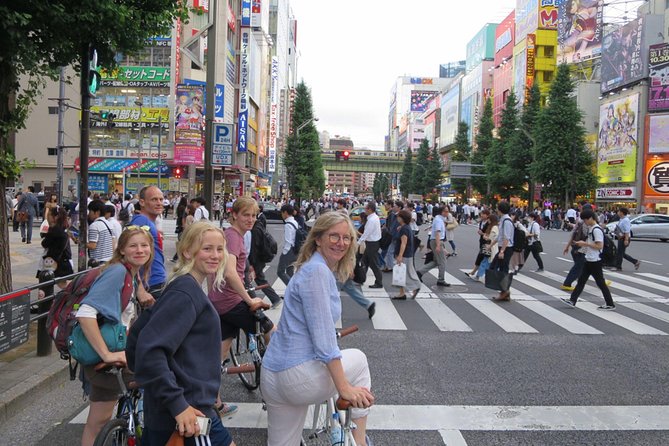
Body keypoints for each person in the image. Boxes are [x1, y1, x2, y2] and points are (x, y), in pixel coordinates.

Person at [260, 211, 374, 446]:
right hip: (297, 376)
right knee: (360, 360)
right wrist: (345, 388)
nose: (341, 243)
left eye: (346, 238)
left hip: (273, 374)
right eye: (334, 236)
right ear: (318, 239)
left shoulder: (309, 268)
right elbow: (324, 342)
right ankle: (360, 441)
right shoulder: (318, 272)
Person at [133, 222, 237, 446]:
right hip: (187, 414)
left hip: (182, 410)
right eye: (207, 248)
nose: (215, 255)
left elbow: (139, 334)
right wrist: (177, 404)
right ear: (187, 251)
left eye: (220, 249)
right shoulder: (185, 292)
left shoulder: (184, 286)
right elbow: (150, 348)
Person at [77, 226, 154, 446]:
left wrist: (142, 292)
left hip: (118, 347)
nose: (140, 250)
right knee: (98, 422)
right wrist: (106, 354)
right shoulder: (117, 272)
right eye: (133, 246)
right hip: (104, 356)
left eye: (144, 245)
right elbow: (85, 313)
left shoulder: (129, 271)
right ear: (121, 250)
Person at [208, 198, 274, 389]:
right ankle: (277, 376)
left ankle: (214, 400)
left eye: (253, 215)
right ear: (234, 215)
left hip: (218, 300)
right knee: (269, 328)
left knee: (222, 348)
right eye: (246, 214)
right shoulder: (234, 236)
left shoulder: (230, 235)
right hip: (230, 300)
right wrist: (249, 299)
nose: (251, 219)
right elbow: (229, 272)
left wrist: (247, 271)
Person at [561, 209, 616, 310]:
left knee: (600, 283)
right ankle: (572, 300)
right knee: (581, 281)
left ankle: (610, 303)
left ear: (591, 218)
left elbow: (599, 246)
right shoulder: (592, 228)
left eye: (585, 220)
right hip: (589, 259)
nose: (585, 222)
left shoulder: (596, 229)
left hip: (595, 261)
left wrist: (584, 244)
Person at [130, 185, 166, 301]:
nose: (159, 203)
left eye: (161, 199)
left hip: (155, 282)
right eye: (154, 199)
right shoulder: (141, 220)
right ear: (142, 202)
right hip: (151, 285)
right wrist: (140, 289)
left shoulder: (148, 223)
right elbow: (131, 256)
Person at [248, 210, 283, 307]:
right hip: (261, 258)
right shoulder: (259, 226)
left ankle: (272, 299)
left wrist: (251, 264)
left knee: (254, 281)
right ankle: (274, 298)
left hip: (256, 260)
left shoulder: (254, 230)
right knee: (258, 280)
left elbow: (254, 249)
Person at [417, 206, 451, 287]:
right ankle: (441, 280)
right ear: (442, 212)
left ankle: (419, 272)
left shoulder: (438, 218)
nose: (447, 213)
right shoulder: (439, 220)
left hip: (435, 241)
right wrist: (438, 245)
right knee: (442, 261)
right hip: (437, 241)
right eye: (446, 211)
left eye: (448, 211)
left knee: (436, 261)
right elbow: (437, 233)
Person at [40, 207, 74, 287]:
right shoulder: (64, 228)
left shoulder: (55, 230)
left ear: (55, 217)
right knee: (63, 284)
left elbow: (44, 243)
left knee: (47, 284)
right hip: (65, 259)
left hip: (55, 261)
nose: (47, 217)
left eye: (49, 215)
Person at [391, 209, 421, 300]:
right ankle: (401, 293)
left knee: (406, 273)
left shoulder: (404, 229)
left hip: (405, 254)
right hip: (407, 253)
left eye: (399, 216)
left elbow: (404, 243)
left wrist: (400, 255)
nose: (397, 218)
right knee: (401, 273)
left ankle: (416, 286)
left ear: (402, 218)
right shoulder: (406, 227)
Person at [491, 201, 514, 301]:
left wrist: (502, 251)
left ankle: (505, 291)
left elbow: (506, 238)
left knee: (503, 270)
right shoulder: (503, 220)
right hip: (503, 248)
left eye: (497, 208)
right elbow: (500, 236)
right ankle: (504, 292)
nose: (496, 210)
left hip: (506, 249)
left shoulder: (507, 221)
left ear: (500, 210)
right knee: (496, 267)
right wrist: (491, 245)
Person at [357, 202, 383, 289]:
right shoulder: (374, 217)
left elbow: (366, 233)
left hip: (372, 243)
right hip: (372, 243)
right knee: (365, 262)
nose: (365, 210)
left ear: (370, 209)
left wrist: (358, 243)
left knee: (373, 264)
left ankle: (379, 282)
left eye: (366, 209)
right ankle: (360, 279)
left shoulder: (372, 220)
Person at [87, 200, 115, 266]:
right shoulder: (109, 224)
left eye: (90, 211)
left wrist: (81, 242)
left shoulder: (94, 226)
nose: (89, 214)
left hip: (98, 261)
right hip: (109, 260)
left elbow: (92, 246)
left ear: (97, 212)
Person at [613, 207, 641, 271]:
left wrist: (626, 239)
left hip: (624, 238)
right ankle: (635, 262)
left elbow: (627, 231)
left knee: (620, 253)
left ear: (622, 213)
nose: (618, 213)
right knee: (621, 253)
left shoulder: (626, 220)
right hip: (621, 237)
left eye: (619, 211)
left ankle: (618, 267)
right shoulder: (622, 219)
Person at [465, 209, 490, 279]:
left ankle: (475, 273)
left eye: (483, 214)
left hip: (487, 242)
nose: (481, 215)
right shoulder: (481, 221)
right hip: (482, 241)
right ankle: (476, 273)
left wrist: (482, 233)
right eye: (481, 214)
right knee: (482, 257)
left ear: (487, 215)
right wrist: (470, 221)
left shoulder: (489, 223)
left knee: (482, 257)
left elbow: (492, 234)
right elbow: (475, 221)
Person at [277, 204, 298, 285]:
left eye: (282, 213)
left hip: (289, 251)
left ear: (285, 212)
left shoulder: (288, 225)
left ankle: (293, 290)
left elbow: (288, 241)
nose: (281, 215)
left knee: (280, 272)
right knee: (290, 272)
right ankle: (292, 295)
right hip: (295, 251)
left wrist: (284, 253)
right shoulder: (294, 222)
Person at [475, 214, 499, 282]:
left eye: (489, 219)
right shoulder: (493, 226)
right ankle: (482, 275)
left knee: (486, 261)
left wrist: (485, 236)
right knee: (488, 262)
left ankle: (480, 275)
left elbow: (492, 238)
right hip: (491, 247)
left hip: (491, 247)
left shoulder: (494, 227)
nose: (488, 220)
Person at [171, 197, 189, 263]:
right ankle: (177, 257)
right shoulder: (183, 208)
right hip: (182, 225)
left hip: (179, 224)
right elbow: (183, 217)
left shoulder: (179, 207)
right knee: (182, 242)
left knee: (181, 241)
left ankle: (176, 257)